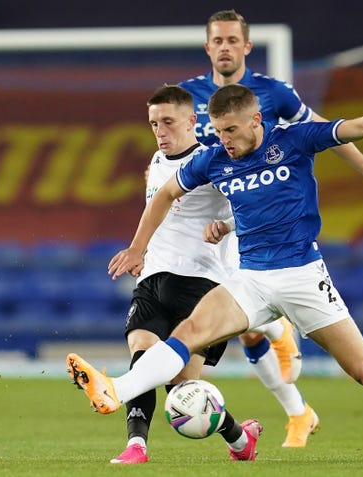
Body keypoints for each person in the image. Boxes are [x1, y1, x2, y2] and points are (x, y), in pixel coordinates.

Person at [67, 83, 363, 456]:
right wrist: (139, 247)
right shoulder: (215, 159)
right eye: (219, 131)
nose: (225, 141)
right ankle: (115, 389)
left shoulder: (293, 140)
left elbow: (358, 127)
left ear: (256, 121)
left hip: (303, 276)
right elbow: (168, 192)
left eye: (232, 131)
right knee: (186, 333)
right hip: (251, 279)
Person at [177, 10, 363, 445]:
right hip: (210, 220)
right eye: (217, 41)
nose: (224, 47)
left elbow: (321, 130)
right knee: (236, 326)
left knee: (240, 321)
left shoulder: (273, 93)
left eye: (232, 40)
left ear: (246, 46)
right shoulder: (188, 97)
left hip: (257, 216)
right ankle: (296, 402)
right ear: (207, 48)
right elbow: (173, 154)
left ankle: (290, 387)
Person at [86, 85, 262, 464]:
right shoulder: (157, 160)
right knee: (143, 358)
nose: (160, 131)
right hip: (153, 278)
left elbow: (250, 208)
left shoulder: (216, 161)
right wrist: (139, 250)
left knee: (182, 386)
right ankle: (137, 446)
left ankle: (238, 438)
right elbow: (156, 207)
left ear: (192, 121)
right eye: (153, 124)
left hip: (203, 284)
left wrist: (225, 225)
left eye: (167, 122)